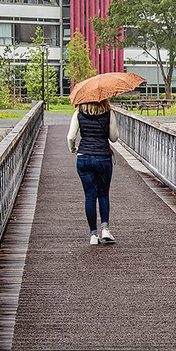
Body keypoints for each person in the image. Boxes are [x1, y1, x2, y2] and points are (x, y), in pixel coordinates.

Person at [68, 98, 119, 245]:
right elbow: (114, 138)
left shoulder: (78, 112)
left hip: (83, 158)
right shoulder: (109, 113)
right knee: (103, 194)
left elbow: (71, 137)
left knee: (90, 196)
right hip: (103, 158)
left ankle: (93, 235)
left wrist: (73, 150)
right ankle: (105, 228)